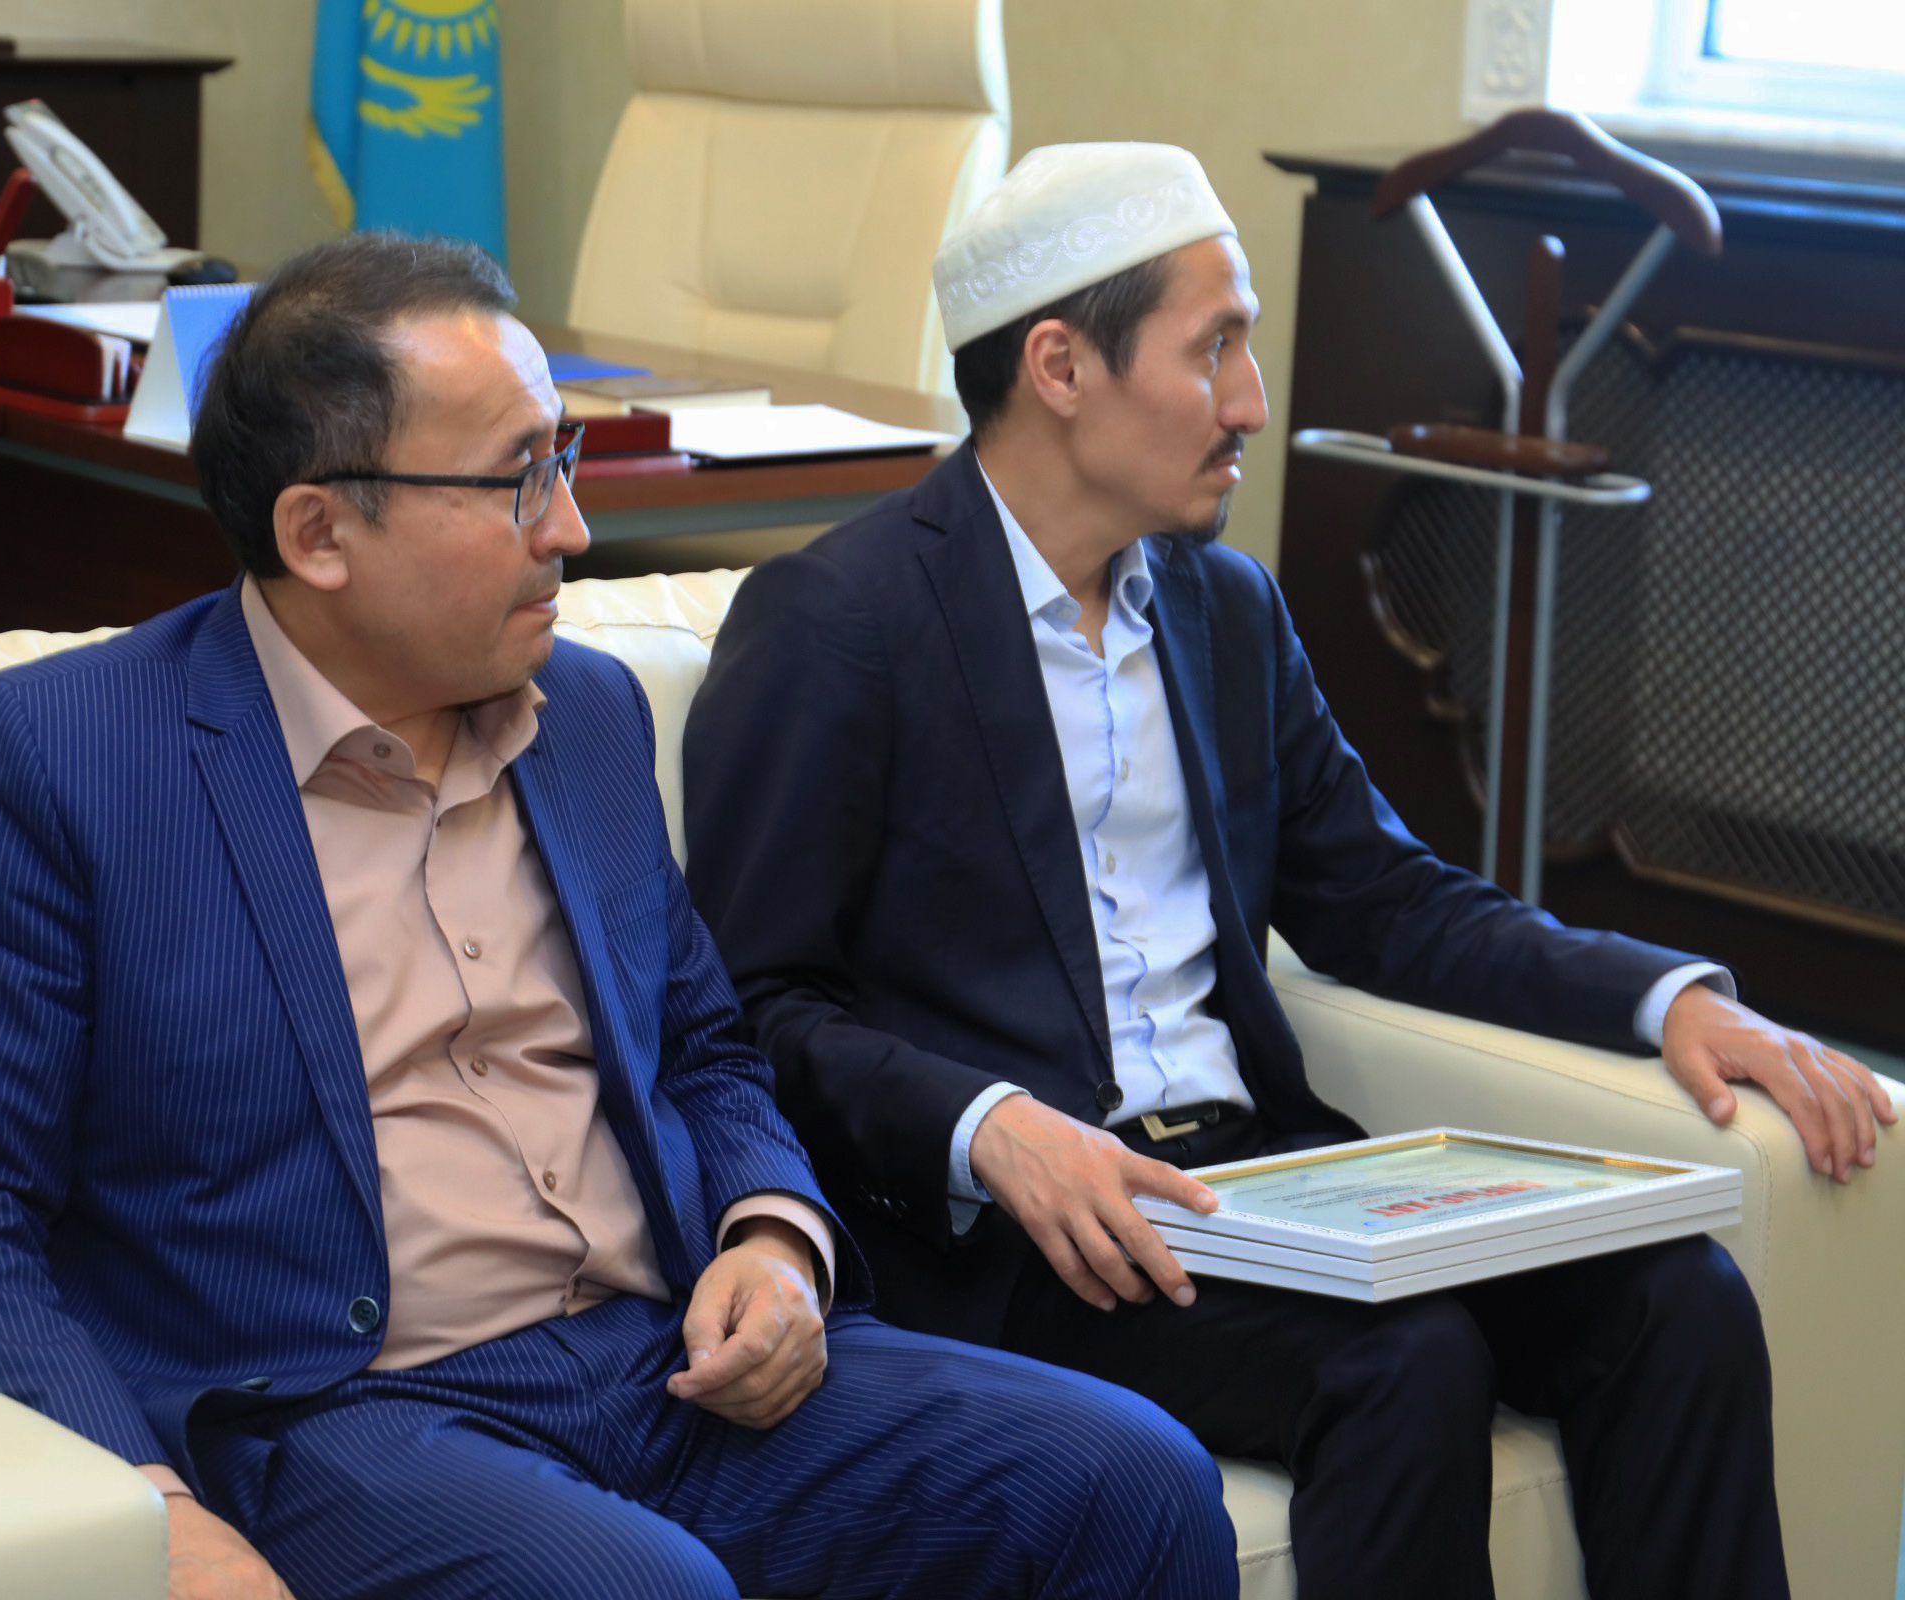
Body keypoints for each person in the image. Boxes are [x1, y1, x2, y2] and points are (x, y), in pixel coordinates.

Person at [0, 231, 1238, 1600]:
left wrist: (772, 1241)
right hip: (342, 1410)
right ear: (319, 532)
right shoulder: (67, 758)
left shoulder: (588, 715)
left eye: (561, 461)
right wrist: (151, 1507)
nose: (571, 527)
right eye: (518, 480)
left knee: (1134, 1478)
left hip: (664, 1361)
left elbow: (706, 1047)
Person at [681, 143, 1895, 1600]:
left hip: (1266, 1180)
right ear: (1060, 367)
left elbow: (1386, 900)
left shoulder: (1226, 607)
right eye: (1215, 349)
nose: (1252, 401)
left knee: (1676, 1299)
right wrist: (989, 1125)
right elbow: (755, 1007)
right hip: (1033, 1237)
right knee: (1405, 1359)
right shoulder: (837, 620)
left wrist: (1663, 1000)